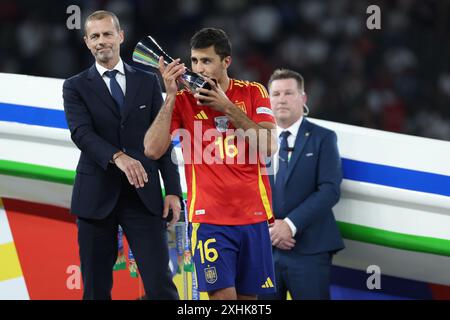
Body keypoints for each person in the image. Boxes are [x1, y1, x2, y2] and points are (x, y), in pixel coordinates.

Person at [144, 28, 278, 300]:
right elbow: (151, 149)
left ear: (225, 62)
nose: (199, 68)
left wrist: (227, 107)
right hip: (210, 220)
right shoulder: (183, 101)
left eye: (206, 61)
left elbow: (268, 146)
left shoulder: (253, 92)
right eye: (194, 61)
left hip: (253, 217)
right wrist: (169, 95)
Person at [62, 10, 181, 300]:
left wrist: (174, 191)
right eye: (95, 36)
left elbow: (162, 138)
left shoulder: (147, 81)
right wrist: (119, 157)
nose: (102, 41)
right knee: (96, 290)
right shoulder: (75, 86)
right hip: (95, 197)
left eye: (107, 34)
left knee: (160, 286)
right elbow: (82, 134)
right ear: (87, 42)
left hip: (144, 197)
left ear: (121, 36)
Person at [259, 69, 345, 300]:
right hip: (263, 248)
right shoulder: (255, 141)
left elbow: (330, 190)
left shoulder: (324, 138)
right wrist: (269, 227)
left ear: (303, 98)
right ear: (268, 100)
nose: (282, 99)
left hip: (310, 250)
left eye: (289, 92)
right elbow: (244, 189)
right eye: (276, 94)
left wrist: (289, 224)